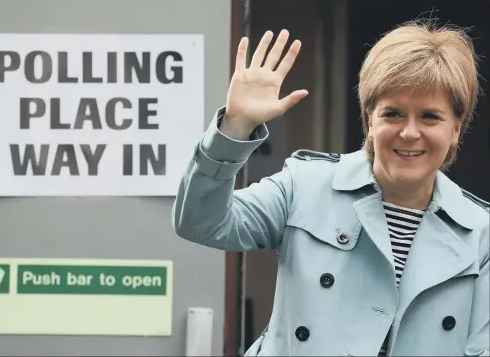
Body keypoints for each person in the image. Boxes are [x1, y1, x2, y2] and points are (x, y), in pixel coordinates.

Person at [172, 20, 489, 356]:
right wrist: (235, 128)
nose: (410, 133)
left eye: (429, 117)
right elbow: (201, 222)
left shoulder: (481, 234)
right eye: (393, 114)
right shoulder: (304, 185)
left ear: (456, 129)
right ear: (369, 121)